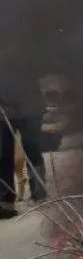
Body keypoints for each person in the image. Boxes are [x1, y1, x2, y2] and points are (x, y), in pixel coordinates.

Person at [0, 53, 49, 219]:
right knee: (3, 154)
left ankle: (39, 191)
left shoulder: (24, 49)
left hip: (29, 108)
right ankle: (4, 201)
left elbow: (40, 68)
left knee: (32, 149)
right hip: (4, 112)